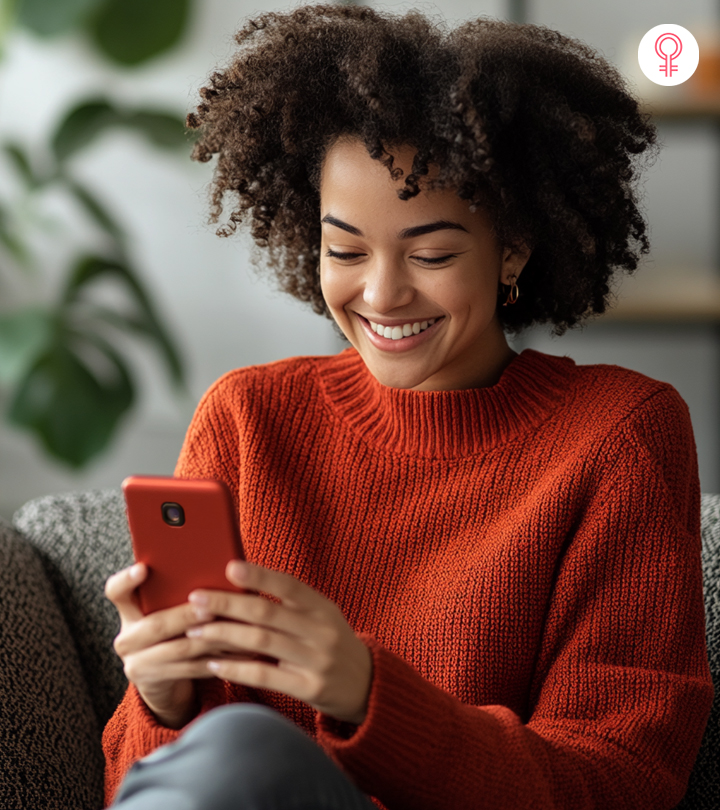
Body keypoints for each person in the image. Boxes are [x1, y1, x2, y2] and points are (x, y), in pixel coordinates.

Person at [102, 5, 715, 809]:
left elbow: (622, 780)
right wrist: (161, 701)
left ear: (514, 250)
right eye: (344, 250)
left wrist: (370, 698)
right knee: (235, 750)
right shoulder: (249, 419)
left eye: (432, 254)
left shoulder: (619, 436)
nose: (382, 294)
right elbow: (131, 786)